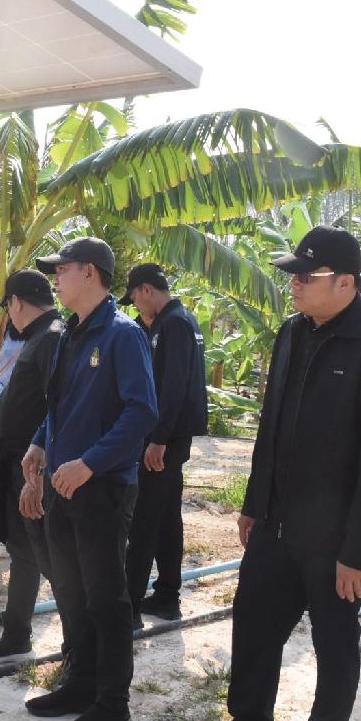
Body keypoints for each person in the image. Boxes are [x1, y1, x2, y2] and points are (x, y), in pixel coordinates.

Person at [186, 226, 361, 721]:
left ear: (345, 283)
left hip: (334, 540)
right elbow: (271, 425)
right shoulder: (292, 332)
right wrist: (254, 503)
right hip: (277, 523)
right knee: (254, 626)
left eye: (305, 277)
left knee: (334, 646)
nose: (293, 285)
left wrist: (358, 551)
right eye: (292, 275)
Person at [18, 237, 157, 721]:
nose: (56, 278)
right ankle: (81, 682)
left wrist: (89, 464)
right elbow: (61, 405)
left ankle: (113, 705)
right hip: (63, 484)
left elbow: (141, 412)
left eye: (63, 269)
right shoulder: (69, 334)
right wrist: (39, 443)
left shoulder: (122, 335)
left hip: (101, 488)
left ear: (91, 273)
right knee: (72, 592)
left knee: (105, 597)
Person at [0, 270, 65, 665]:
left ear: (17, 303)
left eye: (8, 306)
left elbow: (58, 411)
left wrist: (36, 475)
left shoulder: (51, 339)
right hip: (20, 463)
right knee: (25, 551)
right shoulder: (41, 337)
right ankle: (16, 634)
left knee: (51, 558)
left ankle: (83, 644)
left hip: (33, 469)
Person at [120, 262, 208, 625]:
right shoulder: (175, 321)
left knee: (143, 520)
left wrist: (158, 439)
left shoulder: (174, 323)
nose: (137, 308)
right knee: (167, 518)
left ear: (146, 290)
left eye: (135, 299)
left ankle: (130, 606)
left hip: (165, 438)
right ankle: (167, 595)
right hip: (171, 435)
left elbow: (173, 387)